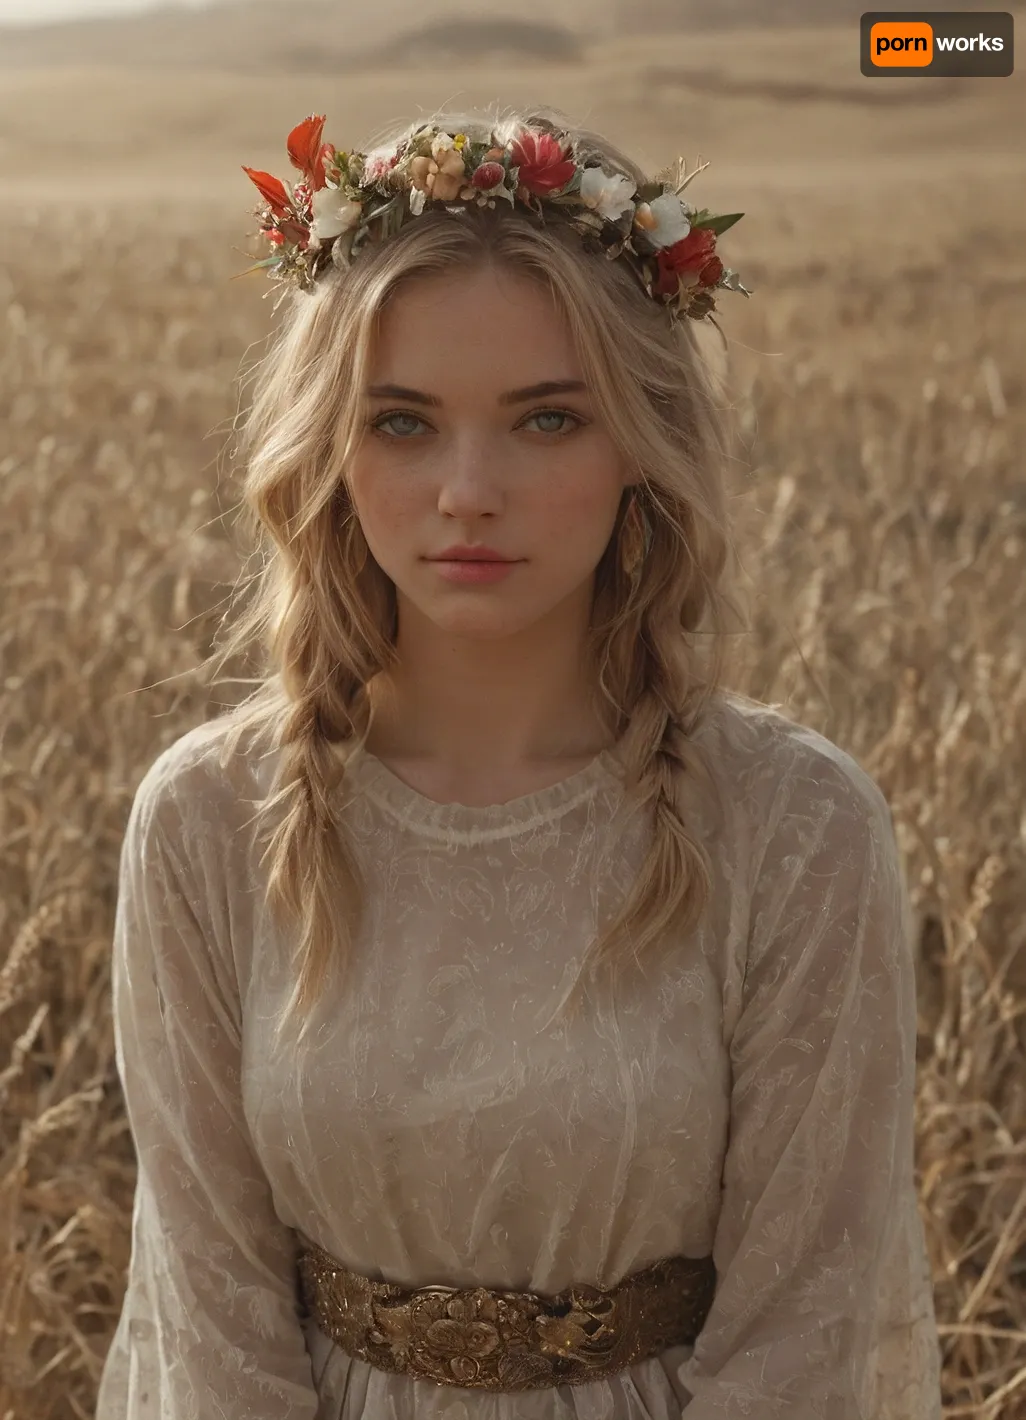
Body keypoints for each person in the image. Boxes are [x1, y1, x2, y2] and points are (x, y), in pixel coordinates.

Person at [95, 104, 943, 1418]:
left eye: (546, 422)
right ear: (326, 446)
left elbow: (808, 1331)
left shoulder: (790, 823)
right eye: (402, 424)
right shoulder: (209, 818)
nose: (466, 490)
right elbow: (210, 1323)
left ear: (638, 447)